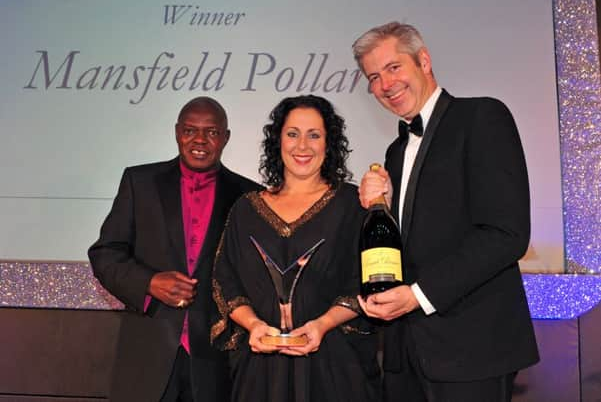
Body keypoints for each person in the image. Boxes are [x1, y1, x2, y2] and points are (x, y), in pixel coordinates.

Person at [352, 22, 539, 401]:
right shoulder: (394, 152)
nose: (385, 84)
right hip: (406, 354)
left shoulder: (482, 118)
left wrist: (418, 295)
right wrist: (379, 208)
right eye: (374, 76)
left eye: (393, 67)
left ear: (423, 60)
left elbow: (507, 234)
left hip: (472, 348)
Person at [88, 96, 261, 402]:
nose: (199, 140)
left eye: (211, 132)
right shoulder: (139, 181)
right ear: (177, 132)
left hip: (218, 360)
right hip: (148, 352)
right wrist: (149, 282)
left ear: (226, 137)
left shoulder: (249, 196)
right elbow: (105, 253)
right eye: (190, 130)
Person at [211, 95, 380, 402]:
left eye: (314, 135)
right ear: (278, 141)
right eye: (292, 134)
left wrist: (322, 324)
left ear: (329, 143)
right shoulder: (246, 210)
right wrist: (254, 325)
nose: (302, 146)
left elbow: (366, 281)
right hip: (259, 374)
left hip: (336, 371)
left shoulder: (353, 206)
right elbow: (225, 280)